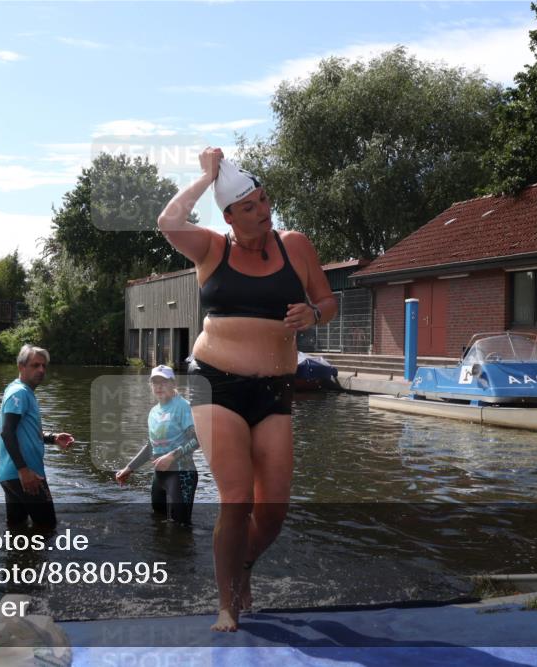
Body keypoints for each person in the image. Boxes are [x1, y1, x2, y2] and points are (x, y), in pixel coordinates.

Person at [157, 148, 337, 632]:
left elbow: (326, 298)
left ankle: (244, 566)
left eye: (264, 199)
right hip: (216, 385)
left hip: (275, 388)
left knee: (273, 511)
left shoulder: (294, 245)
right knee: (235, 499)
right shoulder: (212, 248)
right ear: (229, 214)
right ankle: (227, 605)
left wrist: (315, 314)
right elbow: (168, 221)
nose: (263, 209)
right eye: (251, 205)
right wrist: (205, 176)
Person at [0, 344, 75, 528]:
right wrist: (24, 470)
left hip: (12, 476)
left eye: (43, 366)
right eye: (35, 365)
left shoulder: (21, 390)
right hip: (26, 475)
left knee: (18, 530)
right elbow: (7, 432)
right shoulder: (20, 393)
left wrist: (52, 437)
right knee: (48, 528)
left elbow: (23, 430)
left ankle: (18, 558)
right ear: (21, 367)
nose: (41, 370)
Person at [115, 365, 200, 525]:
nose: (159, 386)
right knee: (157, 524)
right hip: (159, 478)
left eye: (164, 382)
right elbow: (151, 446)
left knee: (181, 528)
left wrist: (171, 456)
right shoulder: (154, 412)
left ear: (173, 383)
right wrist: (129, 468)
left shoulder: (184, 407)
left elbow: (198, 440)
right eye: (155, 382)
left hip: (181, 475)